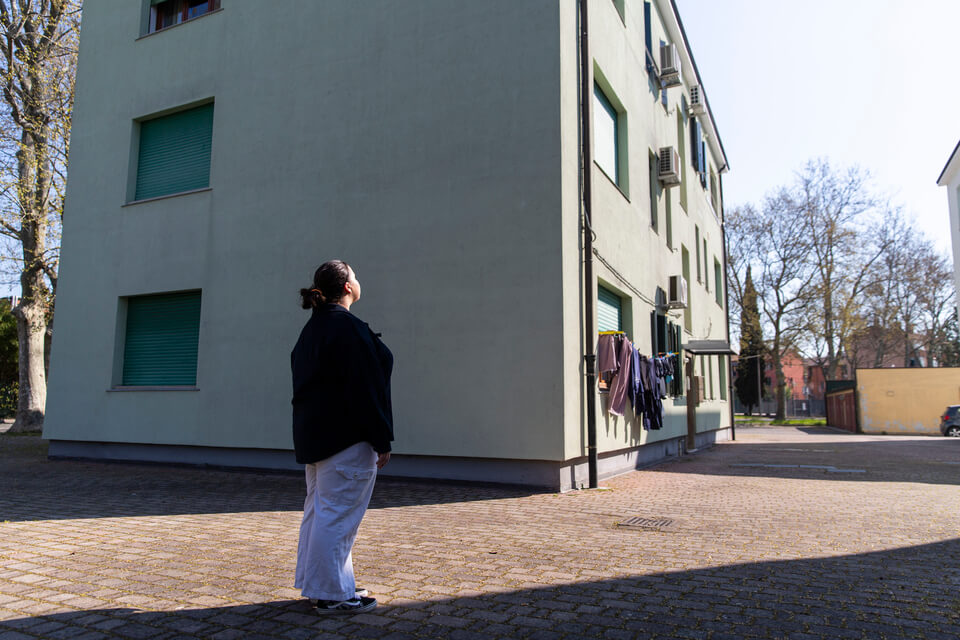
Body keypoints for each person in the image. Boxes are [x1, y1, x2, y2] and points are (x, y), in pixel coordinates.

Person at [291, 260, 394, 615]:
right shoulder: (347, 329)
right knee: (336, 516)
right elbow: (364, 389)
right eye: (355, 274)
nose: (357, 279)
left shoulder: (314, 329)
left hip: (318, 440)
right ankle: (331, 594)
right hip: (347, 439)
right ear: (347, 287)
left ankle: (323, 583)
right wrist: (381, 438)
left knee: (320, 513)